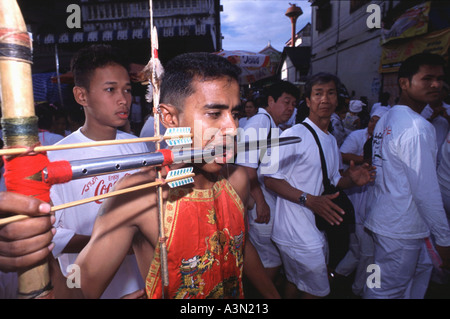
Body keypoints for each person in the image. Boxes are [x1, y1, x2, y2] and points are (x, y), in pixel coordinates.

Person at [0, 52, 280, 299]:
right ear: (169, 119)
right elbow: (80, 290)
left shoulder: (239, 180)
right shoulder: (139, 194)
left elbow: (240, 245)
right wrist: (38, 255)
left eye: (235, 113)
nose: (232, 128)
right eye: (215, 113)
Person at [48, 44, 147, 299]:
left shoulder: (139, 148)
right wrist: (112, 243)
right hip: (84, 289)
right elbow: (51, 235)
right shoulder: (56, 157)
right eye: (110, 89)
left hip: (138, 283)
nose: (123, 99)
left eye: (127, 89)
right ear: (82, 96)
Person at [263, 72, 375, 299]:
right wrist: (309, 200)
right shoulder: (293, 135)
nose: (325, 99)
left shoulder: (331, 139)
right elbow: (270, 178)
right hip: (297, 233)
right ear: (308, 101)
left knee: (296, 282)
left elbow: (333, 181)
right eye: (318, 93)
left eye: (330, 93)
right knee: (318, 292)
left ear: (338, 99)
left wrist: (351, 180)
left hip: (314, 230)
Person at [363, 53, 450, 299]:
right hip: (401, 227)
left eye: (440, 79)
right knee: (385, 290)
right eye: (427, 78)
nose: (436, 85)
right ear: (404, 83)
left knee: (409, 280)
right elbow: (426, 191)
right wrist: (444, 238)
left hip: (389, 219)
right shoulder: (417, 128)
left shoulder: (388, 118)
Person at [236, 80, 300, 286]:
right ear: (271, 101)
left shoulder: (272, 125)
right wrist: (261, 202)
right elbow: (247, 167)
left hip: (267, 199)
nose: (290, 108)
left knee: (267, 256)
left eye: (293, 104)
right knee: (269, 256)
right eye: (286, 102)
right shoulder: (260, 123)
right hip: (260, 203)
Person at [333, 106, 388, 296]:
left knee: (357, 253)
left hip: (357, 220)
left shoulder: (370, 171)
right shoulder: (371, 174)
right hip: (364, 223)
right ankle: (360, 291)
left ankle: (337, 274)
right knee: (369, 260)